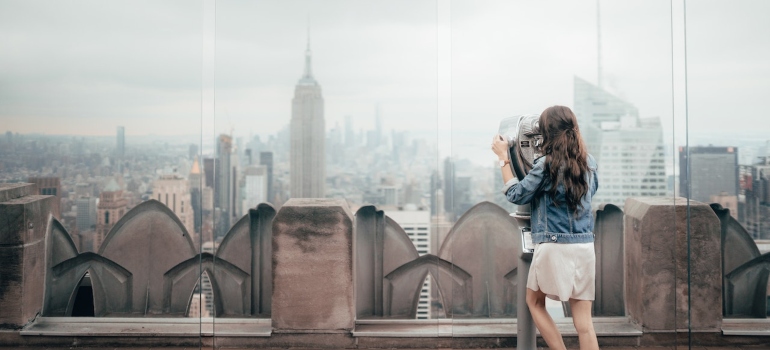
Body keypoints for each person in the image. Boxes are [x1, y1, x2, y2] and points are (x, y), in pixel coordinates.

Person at [492, 105, 599, 350]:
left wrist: (503, 158)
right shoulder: (590, 163)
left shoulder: (545, 165)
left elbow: (517, 194)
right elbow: (590, 193)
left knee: (535, 302)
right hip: (584, 246)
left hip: (554, 245)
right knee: (584, 322)